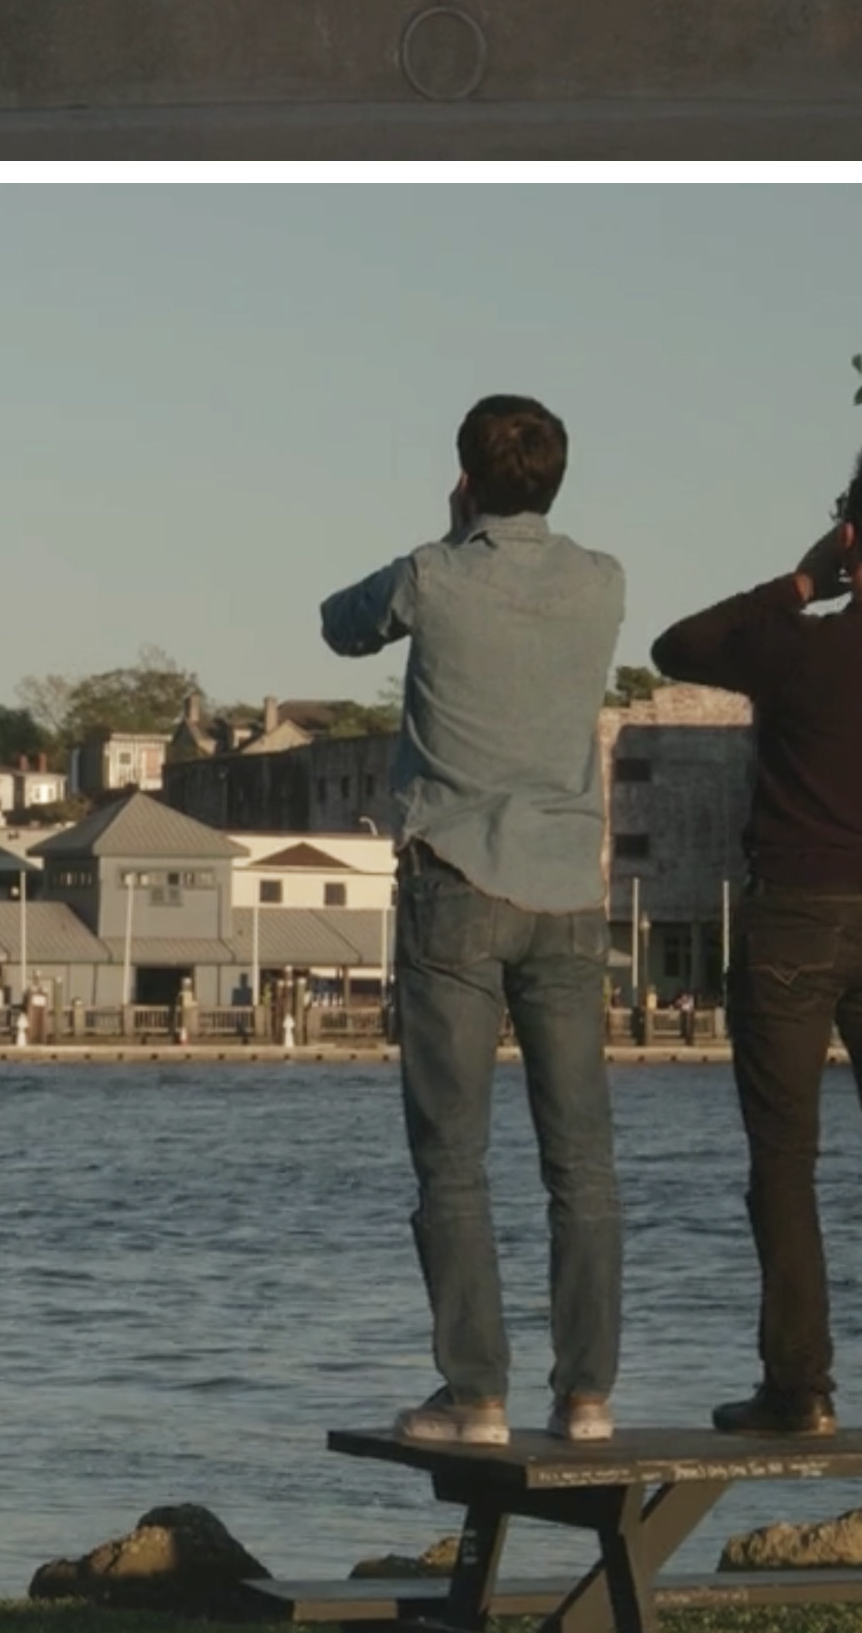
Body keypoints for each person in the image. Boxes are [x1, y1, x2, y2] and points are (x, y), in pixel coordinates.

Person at [650, 427, 862, 1439]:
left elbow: (676, 646)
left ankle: (796, 1388)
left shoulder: (797, 644)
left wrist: (800, 582)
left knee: (783, 1161)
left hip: (791, 916)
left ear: (847, 529)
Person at [323, 394, 627, 1447]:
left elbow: (337, 623)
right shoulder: (601, 581)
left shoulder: (431, 573)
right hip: (569, 895)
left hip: (454, 880)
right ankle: (586, 1394)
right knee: (579, 1160)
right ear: (555, 478)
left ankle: (474, 1393)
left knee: (452, 1156)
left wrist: (455, 536)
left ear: (464, 477)